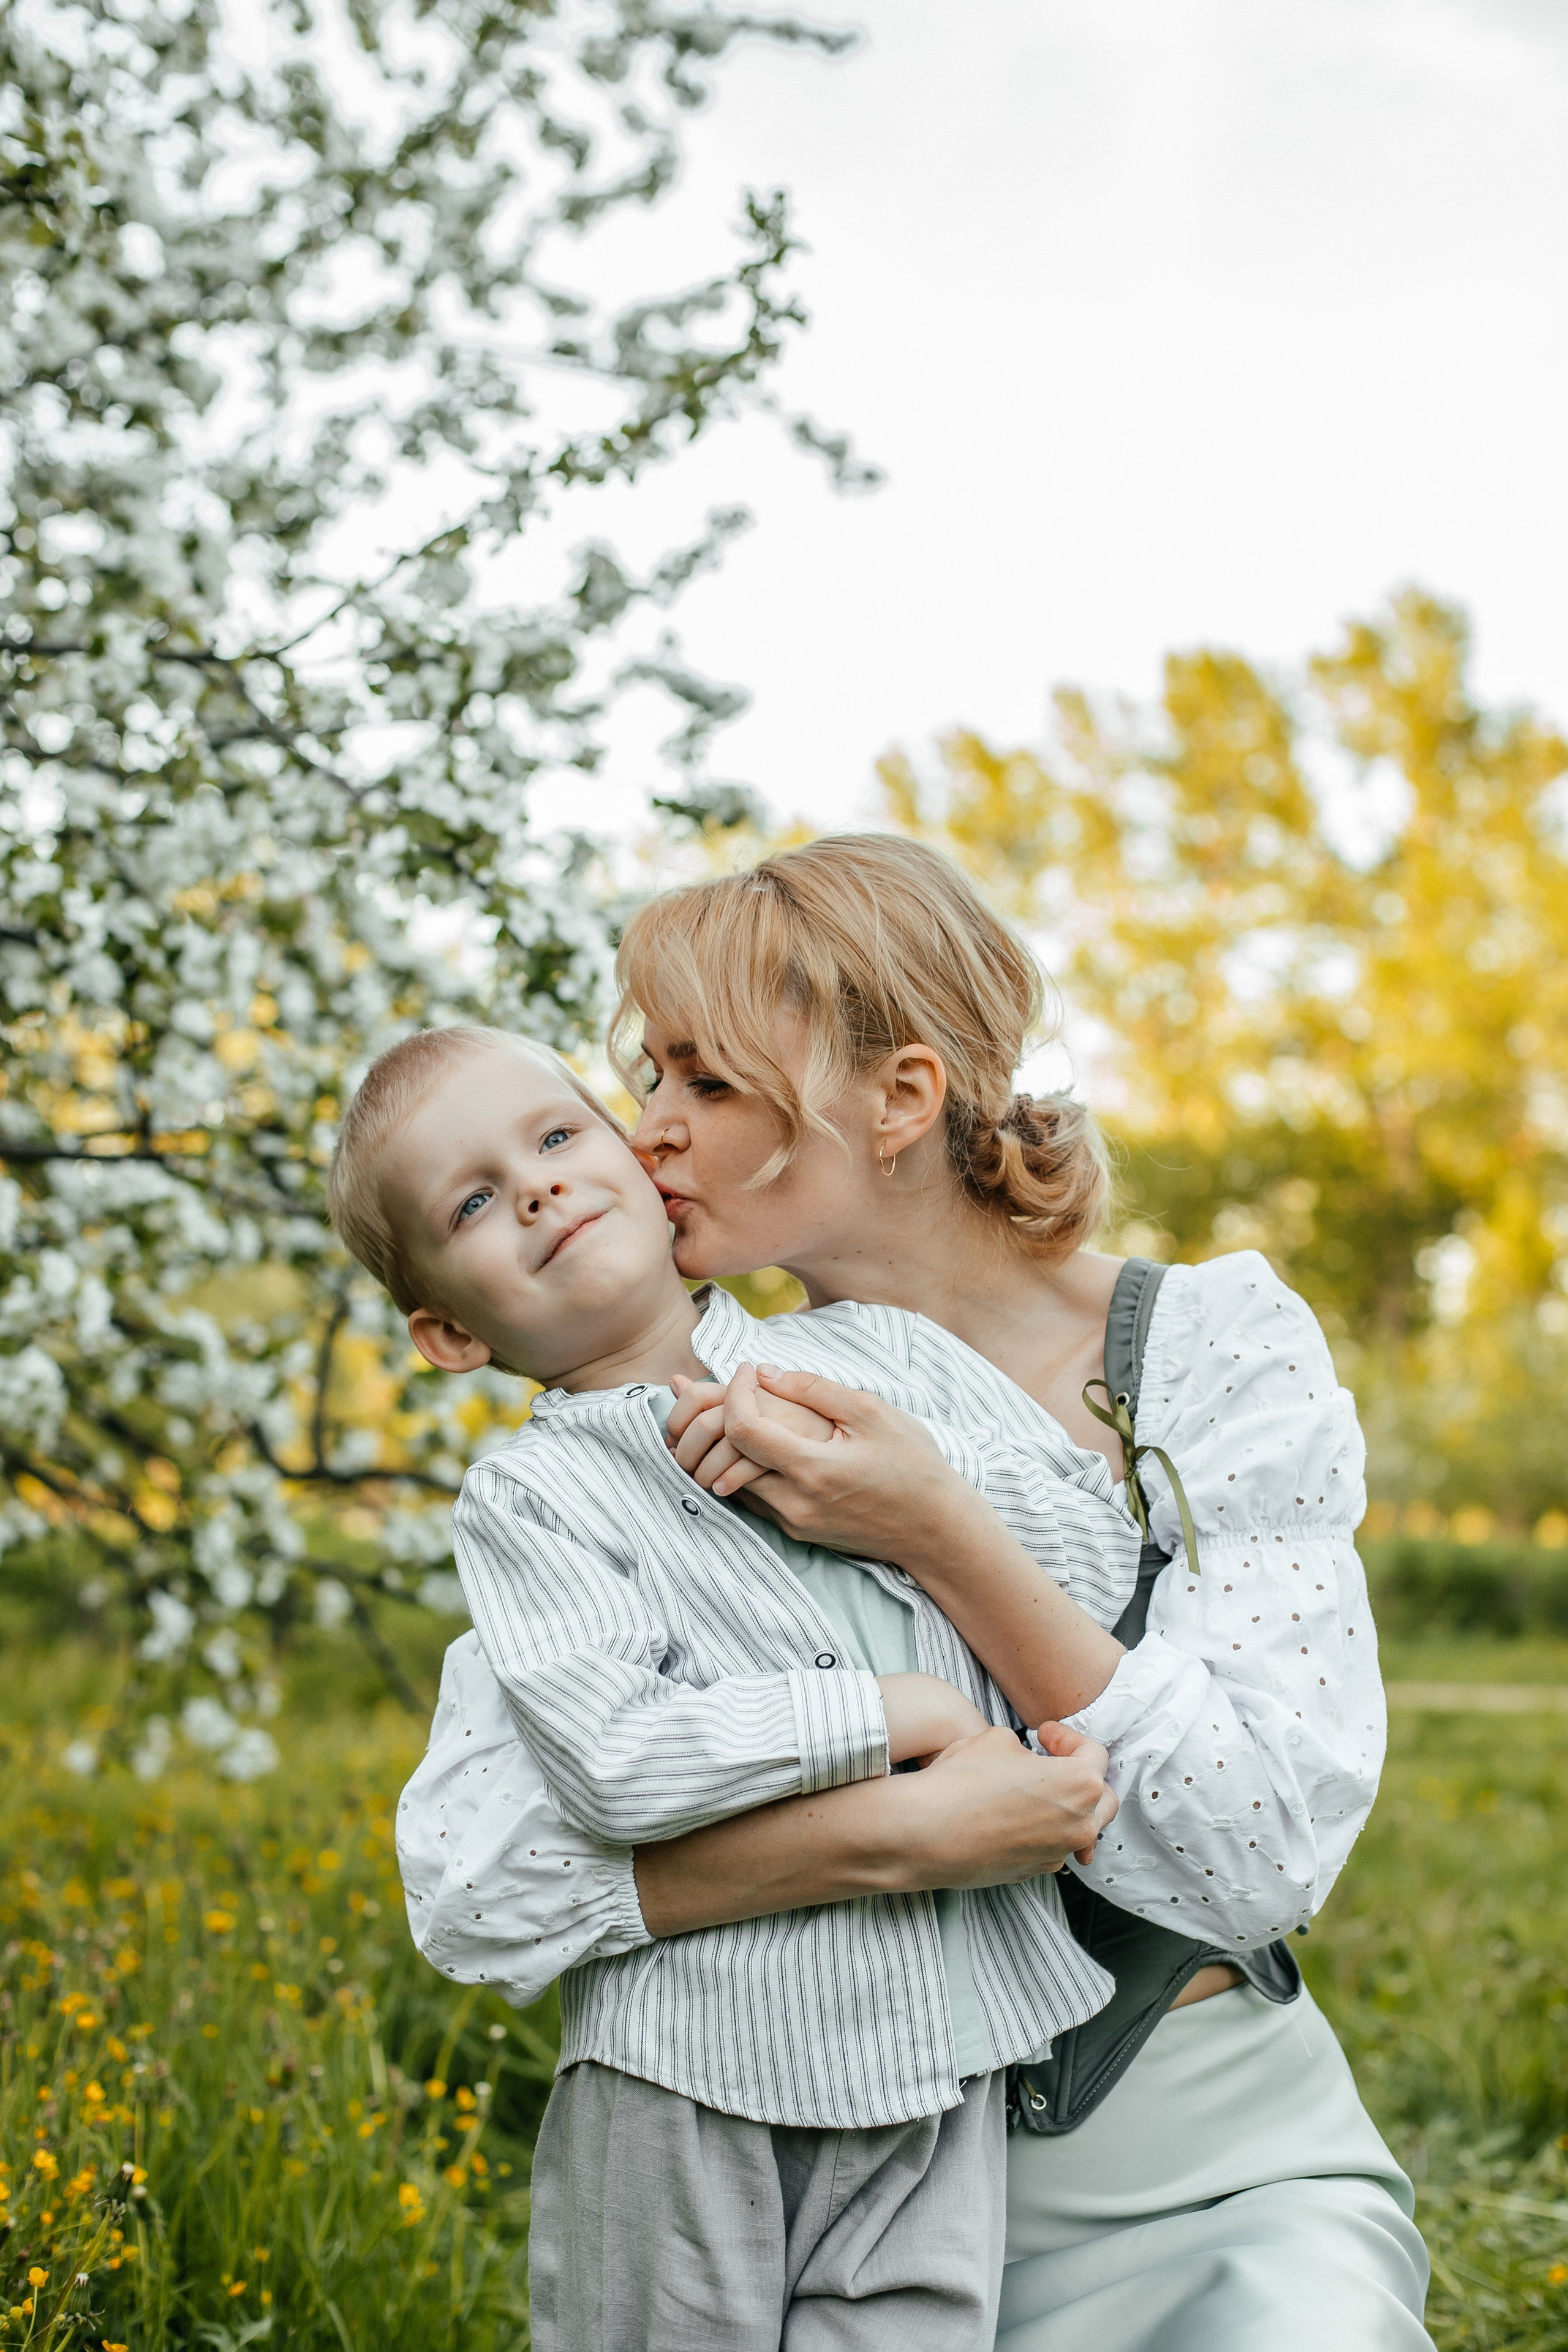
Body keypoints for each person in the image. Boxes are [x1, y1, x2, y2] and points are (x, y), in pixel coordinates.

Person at [400, 834, 1434, 2349]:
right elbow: (485, 1879)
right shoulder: (680, 1409)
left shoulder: (1207, 1351)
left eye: (706, 1083)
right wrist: (890, 1834)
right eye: (647, 1083)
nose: (646, 1135)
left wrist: (940, 1529)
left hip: (1211, 2183)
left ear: (899, 1099)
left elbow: (1256, 1850)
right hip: (828, 2199)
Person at [328, 1017, 1150, 2351]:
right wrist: (893, 1715)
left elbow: (1092, 1559)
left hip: (938, 2058)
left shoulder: (878, 1361)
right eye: (473, 1200)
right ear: (448, 1332)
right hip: (692, 2069)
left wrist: (917, 1490)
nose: (535, 1187)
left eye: (553, 1138)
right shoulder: (533, 1502)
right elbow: (615, 1758)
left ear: (645, 1170)